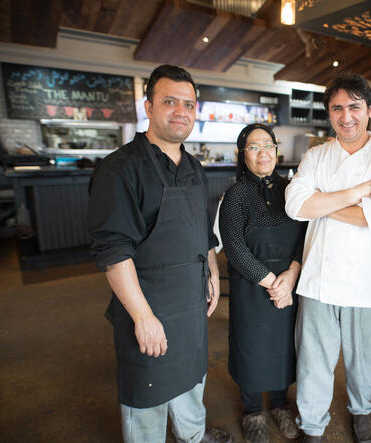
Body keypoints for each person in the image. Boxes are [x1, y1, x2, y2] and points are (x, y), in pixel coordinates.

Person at [87, 65, 231, 443]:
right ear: (148, 106)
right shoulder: (120, 169)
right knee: (147, 393)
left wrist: (212, 271)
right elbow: (114, 251)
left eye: (189, 103)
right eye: (170, 101)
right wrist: (142, 315)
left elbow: (202, 229)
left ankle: (192, 436)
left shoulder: (195, 167)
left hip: (191, 301)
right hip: (149, 305)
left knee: (192, 383)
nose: (181, 111)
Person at [284, 73, 371, 442]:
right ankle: (312, 425)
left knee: (362, 358)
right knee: (313, 359)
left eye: (354, 106)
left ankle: (361, 408)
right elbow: (293, 206)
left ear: (370, 109)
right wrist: (355, 194)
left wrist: (320, 203)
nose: (346, 116)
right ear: (329, 114)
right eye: (337, 108)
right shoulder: (317, 155)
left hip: (367, 280)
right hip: (319, 277)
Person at [219, 124, 307, 443]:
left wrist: (291, 276)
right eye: (253, 147)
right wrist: (273, 283)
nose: (263, 153)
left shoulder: (291, 188)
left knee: (285, 345)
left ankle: (281, 403)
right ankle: (253, 409)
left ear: (276, 149)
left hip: (289, 280)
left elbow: (305, 236)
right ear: (243, 155)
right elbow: (234, 247)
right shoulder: (236, 195)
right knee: (250, 345)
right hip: (253, 282)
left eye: (268, 145)